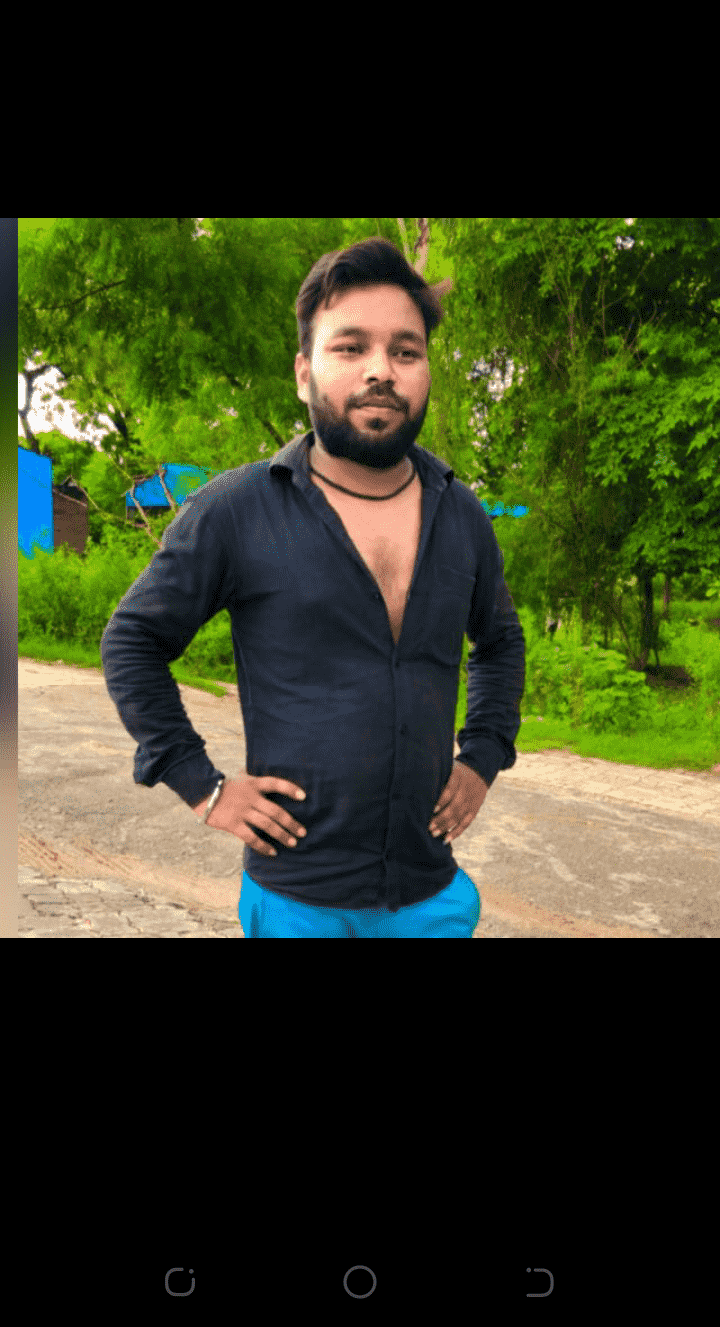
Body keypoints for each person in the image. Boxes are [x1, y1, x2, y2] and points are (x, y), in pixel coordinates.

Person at [101, 237, 526, 936]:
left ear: (426, 370)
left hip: (432, 897)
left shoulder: (462, 515)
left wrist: (481, 757)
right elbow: (132, 640)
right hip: (297, 904)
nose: (380, 370)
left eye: (405, 351)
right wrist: (204, 786)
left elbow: (501, 643)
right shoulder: (238, 510)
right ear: (304, 373)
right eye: (350, 347)